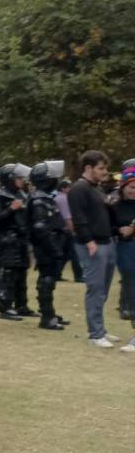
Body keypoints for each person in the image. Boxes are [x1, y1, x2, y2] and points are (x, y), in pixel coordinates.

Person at [68, 150, 118, 348]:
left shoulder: (96, 188)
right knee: (95, 289)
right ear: (88, 168)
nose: (104, 172)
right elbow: (78, 218)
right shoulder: (79, 189)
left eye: (105, 168)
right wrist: (89, 241)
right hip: (93, 244)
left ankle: (101, 329)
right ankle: (95, 334)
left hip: (107, 241)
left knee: (103, 289)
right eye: (101, 168)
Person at [26, 161, 70, 331]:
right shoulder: (39, 200)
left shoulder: (45, 198)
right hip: (47, 248)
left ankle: (49, 312)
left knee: (49, 280)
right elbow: (41, 228)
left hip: (52, 245)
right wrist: (54, 249)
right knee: (46, 280)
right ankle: (47, 316)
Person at [0, 163, 34, 320]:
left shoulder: (21, 195)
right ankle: (5, 307)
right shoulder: (0, 196)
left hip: (21, 240)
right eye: (18, 178)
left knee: (22, 274)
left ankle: (22, 305)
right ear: (9, 179)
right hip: (7, 241)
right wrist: (11, 209)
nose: (22, 180)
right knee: (9, 276)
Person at [112, 167, 135, 352]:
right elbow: (109, 226)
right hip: (124, 250)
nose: (134, 190)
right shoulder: (115, 206)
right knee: (129, 286)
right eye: (131, 186)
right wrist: (120, 230)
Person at [55, 179, 83, 283]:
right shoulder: (64, 199)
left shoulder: (58, 197)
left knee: (65, 254)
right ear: (63, 188)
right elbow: (67, 218)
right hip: (66, 230)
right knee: (74, 253)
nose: (71, 189)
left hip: (61, 230)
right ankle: (78, 275)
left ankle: (56, 274)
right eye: (69, 187)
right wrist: (73, 231)